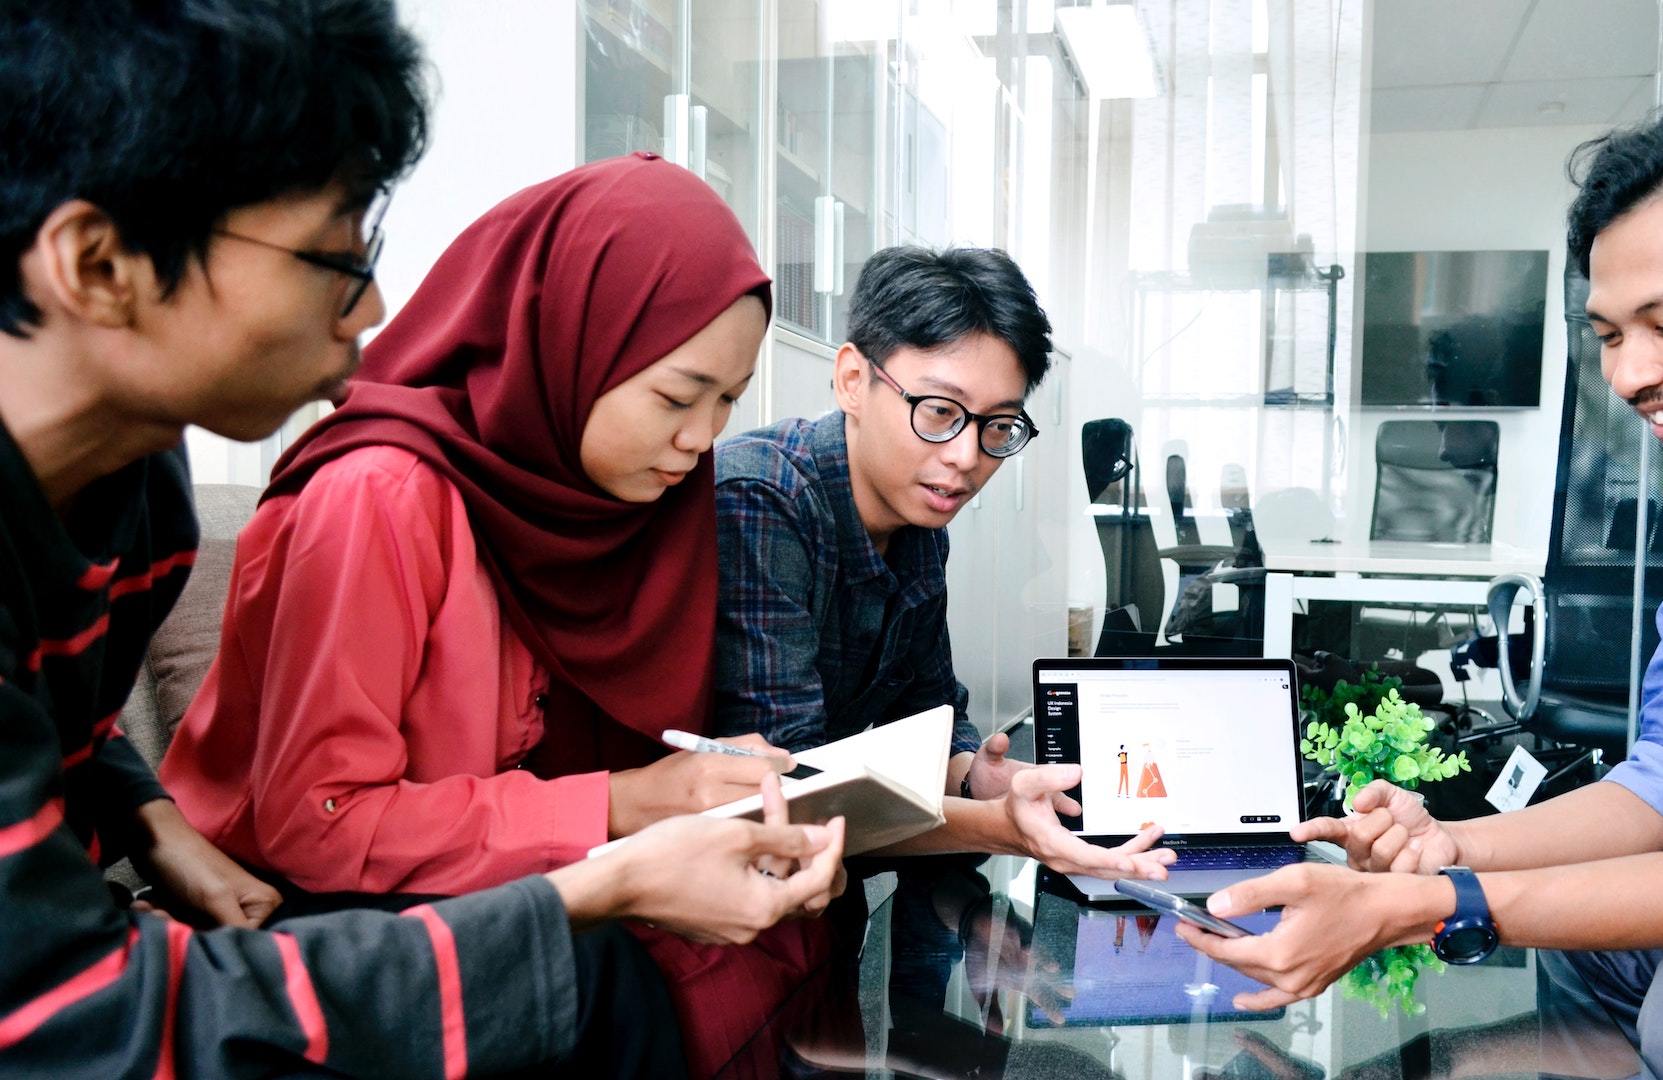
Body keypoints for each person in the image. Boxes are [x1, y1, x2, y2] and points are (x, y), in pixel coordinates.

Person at [0, 3, 839, 1076]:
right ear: (100, 262)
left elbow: (53, 725)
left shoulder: (136, 493)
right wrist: (611, 868)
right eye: (333, 260)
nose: (375, 307)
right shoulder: (378, 493)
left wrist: (147, 815)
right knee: (600, 980)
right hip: (159, 968)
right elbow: (85, 1012)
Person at [1179, 71, 1663, 1078]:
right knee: (1603, 931)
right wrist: (1450, 845)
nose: (1627, 375)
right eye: (1611, 335)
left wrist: (1432, 906)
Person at [158, 151, 848, 1078]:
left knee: (792, 917)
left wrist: (692, 795)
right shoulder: (380, 495)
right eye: (678, 396)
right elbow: (317, 820)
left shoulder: (615, 500)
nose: (699, 439)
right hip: (300, 895)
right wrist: (624, 806)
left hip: (475, 865)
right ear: (568, 345)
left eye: (726, 402)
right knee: (598, 969)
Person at [712, 245, 1174, 881]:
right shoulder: (763, 501)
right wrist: (1003, 829)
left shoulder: (919, 514)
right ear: (853, 379)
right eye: (938, 412)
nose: (965, 456)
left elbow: (928, 709)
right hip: (720, 892)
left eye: (999, 426)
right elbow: (793, 791)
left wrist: (973, 771)